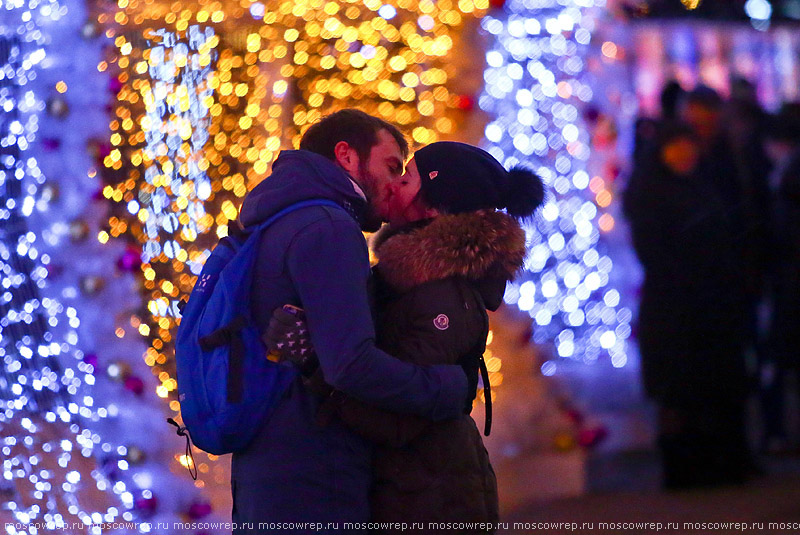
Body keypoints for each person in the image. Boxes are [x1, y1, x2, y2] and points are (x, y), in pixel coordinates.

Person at [268, 142, 544, 532]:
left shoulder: (439, 296)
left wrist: (316, 360)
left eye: (408, 177)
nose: (394, 185)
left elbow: (401, 419)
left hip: (431, 496)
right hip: (416, 486)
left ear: (434, 207)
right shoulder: (408, 280)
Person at [231, 110, 471, 532]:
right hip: (315, 468)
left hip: (266, 459)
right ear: (346, 156)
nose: (396, 183)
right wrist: (448, 389)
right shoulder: (329, 227)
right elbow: (351, 364)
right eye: (392, 166)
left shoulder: (276, 215)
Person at [623, 123, 751, 489]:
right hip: (673, 307)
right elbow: (652, 251)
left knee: (717, 385)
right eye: (674, 147)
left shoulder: (708, 184)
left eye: (688, 146)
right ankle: (684, 469)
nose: (684, 154)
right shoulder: (648, 193)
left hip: (714, 303)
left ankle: (724, 463)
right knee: (679, 388)